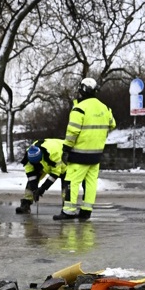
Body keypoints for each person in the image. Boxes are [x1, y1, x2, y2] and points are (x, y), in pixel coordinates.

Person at [55, 77, 115, 221]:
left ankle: (68, 211)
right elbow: (112, 124)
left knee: (71, 181)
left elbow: (72, 132)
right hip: (96, 155)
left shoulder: (79, 108)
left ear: (82, 90)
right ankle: (86, 211)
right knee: (91, 183)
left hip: (79, 154)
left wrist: (66, 149)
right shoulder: (105, 108)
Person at [14, 138, 66, 214]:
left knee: (67, 184)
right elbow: (31, 176)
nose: (35, 164)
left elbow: (55, 174)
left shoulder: (53, 154)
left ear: (41, 157)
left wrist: (42, 189)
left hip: (65, 161)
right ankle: (26, 204)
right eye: (34, 163)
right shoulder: (28, 157)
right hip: (45, 164)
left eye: (37, 162)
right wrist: (35, 190)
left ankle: (67, 209)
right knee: (31, 182)